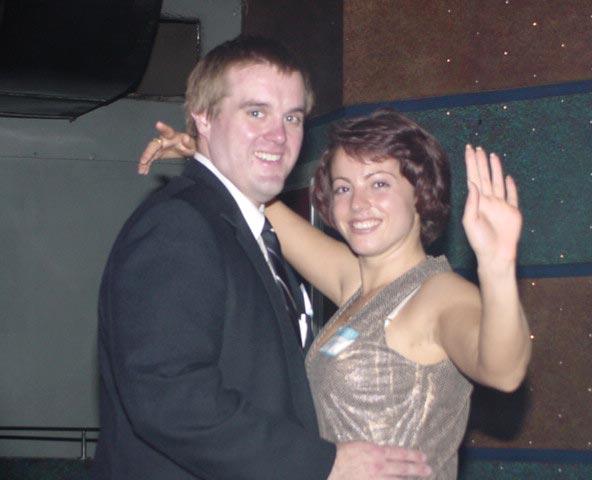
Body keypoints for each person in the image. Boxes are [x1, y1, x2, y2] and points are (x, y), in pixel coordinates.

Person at [93, 36, 431, 480]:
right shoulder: (180, 226)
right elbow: (169, 398)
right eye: (256, 113)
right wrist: (323, 463)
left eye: (292, 117)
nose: (279, 136)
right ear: (203, 117)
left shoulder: (249, 232)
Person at [138, 109, 532, 478]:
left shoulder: (438, 294)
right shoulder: (357, 283)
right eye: (343, 188)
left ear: (421, 193)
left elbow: (503, 371)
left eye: (379, 183)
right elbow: (263, 210)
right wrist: (210, 154)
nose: (358, 203)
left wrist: (496, 266)